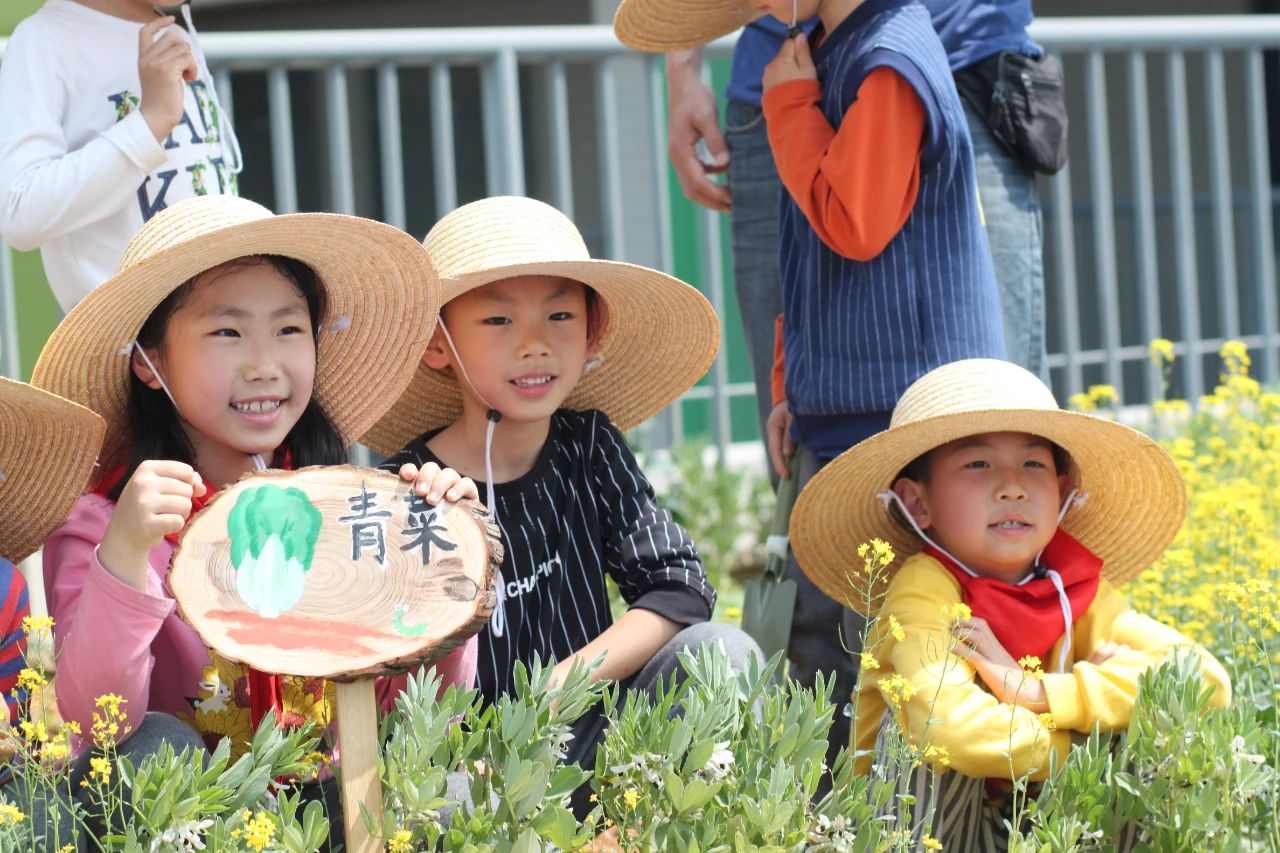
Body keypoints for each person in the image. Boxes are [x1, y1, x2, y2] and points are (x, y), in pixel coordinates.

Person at [33, 194, 475, 845]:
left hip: (327, 805)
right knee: (155, 744)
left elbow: (424, 709)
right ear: (146, 361)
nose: (264, 363)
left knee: (443, 782)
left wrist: (439, 566)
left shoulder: (344, 504)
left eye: (289, 329)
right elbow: (93, 724)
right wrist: (125, 557)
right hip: (198, 817)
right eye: (228, 332)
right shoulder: (105, 521)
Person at [364, 195, 762, 813]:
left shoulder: (588, 445)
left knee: (722, 653)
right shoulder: (406, 489)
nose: (534, 345)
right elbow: (383, 675)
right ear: (436, 343)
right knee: (424, 801)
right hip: (475, 764)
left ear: (592, 330)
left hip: (599, 739)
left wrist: (560, 685)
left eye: (559, 316)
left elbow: (679, 588)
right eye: (498, 322)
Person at [789, 358, 1231, 849]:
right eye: (978, 464)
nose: (1013, 486)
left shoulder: (1073, 588)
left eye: (1034, 464)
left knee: (1159, 724)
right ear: (917, 503)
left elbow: (1205, 681)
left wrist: (1038, 692)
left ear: (1063, 491)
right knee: (917, 737)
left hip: (1049, 827)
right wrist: (1086, 738)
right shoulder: (924, 590)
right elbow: (950, 727)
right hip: (931, 833)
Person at [0, 0, 242, 312]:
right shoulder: (45, 39)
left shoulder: (172, 30)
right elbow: (19, 210)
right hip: (125, 339)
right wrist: (149, 123)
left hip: (217, 320)